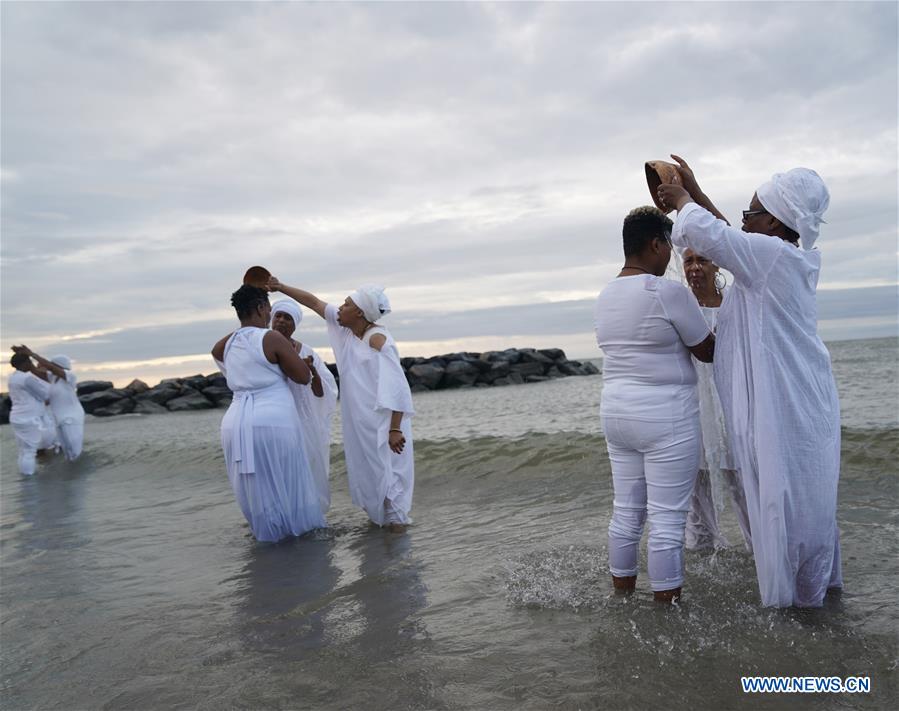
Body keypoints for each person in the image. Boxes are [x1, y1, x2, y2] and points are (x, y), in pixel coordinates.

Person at [658, 155, 842, 608]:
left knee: (786, 503)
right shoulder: (775, 256)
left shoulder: (773, 258)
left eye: (751, 212)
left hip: (788, 406)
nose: (743, 219)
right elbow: (729, 238)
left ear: (777, 222)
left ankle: (792, 612)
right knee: (796, 503)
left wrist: (680, 197)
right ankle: (814, 603)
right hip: (797, 402)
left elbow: (716, 237)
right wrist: (696, 195)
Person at [594, 206, 715, 603]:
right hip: (666, 416)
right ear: (655, 244)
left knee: (626, 512)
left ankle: (622, 598)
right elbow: (706, 350)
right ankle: (668, 614)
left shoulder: (605, 294)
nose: (670, 258)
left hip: (616, 413)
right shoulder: (667, 292)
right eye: (668, 247)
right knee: (666, 520)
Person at [267, 278, 414, 533]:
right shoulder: (348, 330)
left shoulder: (378, 340)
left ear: (359, 312)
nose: (340, 309)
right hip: (360, 422)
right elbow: (313, 302)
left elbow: (398, 386)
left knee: (390, 484)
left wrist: (395, 429)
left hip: (384, 425)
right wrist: (280, 287)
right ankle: (383, 547)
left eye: (345, 305)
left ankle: (398, 547)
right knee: (371, 479)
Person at [211, 285, 326, 542]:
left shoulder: (227, 343)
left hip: (235, 424)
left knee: (257, 490)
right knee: (288, 482)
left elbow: (217, 354)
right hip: (272, 420)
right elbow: (302, 376)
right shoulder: (271, 338)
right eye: (269, 309)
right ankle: (300, 541)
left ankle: (268, 542)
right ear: (262, 308)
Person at [680, 249, 752, 552]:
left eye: (702, 261)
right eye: (688, 261)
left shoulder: (733, 304)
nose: (695, 268)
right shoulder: (679, 306)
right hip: (693, 401)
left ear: (716, 264)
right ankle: (701, 553)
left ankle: (759, 549)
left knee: (742, 480)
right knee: (697, 485)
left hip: (730, 398)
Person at [269, 299, 338, 516]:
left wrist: (311, 372)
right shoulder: (262, 346)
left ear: (295, 324)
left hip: (303, 421)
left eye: (287, 317)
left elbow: (321, 393)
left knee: (307, 471)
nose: (281, 321)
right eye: (278, 316)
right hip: (275, 420)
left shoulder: (307, 352)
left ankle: (309, 516)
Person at [12, 347, 85, 461]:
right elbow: (34, 370)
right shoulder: (53, 378)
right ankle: (72, 477)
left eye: (52, 364)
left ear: (59, 365)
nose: (47, 365)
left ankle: (81, 475)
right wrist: (24, 357)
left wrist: (32, 354)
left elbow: (50, 367)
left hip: (71, 418)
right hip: (59, 419)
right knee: (67, 454)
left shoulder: (69, 376)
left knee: (75, 452)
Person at [7, 352, 57, 475]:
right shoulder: (27, 378)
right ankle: (29, 479)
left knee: (24, 451)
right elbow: (45, 395)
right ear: (25, 363)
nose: (32, 364)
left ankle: (26, 477)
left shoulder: (12, 377)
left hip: (18, 416)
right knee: (30, 451)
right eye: (29, 361)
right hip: (29, 417)